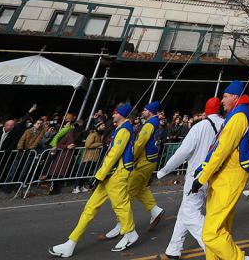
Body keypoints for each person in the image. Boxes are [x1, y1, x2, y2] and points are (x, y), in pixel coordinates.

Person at [48, 104, 138, 257]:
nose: (113, 116)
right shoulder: (122, 128)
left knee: (120, 206)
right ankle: (71, 243)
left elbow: (114, 154)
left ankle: (130, 233)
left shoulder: (124, 129)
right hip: (110, 174)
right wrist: (101, 174)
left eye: (116, 113)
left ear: (122, 115)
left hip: (116, 174)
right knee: (90, 208)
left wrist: (99, 175)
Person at [156, 97, 225, 260]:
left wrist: (164, 170)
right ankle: (173, 251)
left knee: (190, 213)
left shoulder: (199, 127)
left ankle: (217, 252)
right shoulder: (225, 126)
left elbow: (183, 152)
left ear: (205, 111)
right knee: (184, 212)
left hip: (196, 176)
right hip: (215, 176)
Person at [193, 81, 249, 260]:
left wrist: (202, 177)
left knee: (210, 234)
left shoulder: (238, 117)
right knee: (218, 230)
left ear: (235, 97)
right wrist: (203, 171)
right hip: (222, 178)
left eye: (225, 96)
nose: (222, 100)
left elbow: (221, 150)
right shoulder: (234, 115)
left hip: (229, 179)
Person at [108, 101, 164, 236]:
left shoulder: (149, 124)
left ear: (150, 112)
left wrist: (131, 159)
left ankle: (121, 224)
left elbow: (139, 144)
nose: (142, 112)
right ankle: (155, 210)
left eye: (145, 110)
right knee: (140, 188)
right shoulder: (156, 123)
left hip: (143, 162)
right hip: (150, 161)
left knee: (128, 192)